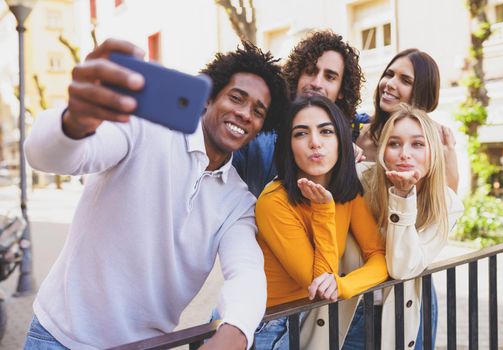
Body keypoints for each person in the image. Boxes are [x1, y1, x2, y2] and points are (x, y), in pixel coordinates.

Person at [23, 39, 289, 350]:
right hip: (58, 338)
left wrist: (236, 331)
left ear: (261, 127)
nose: (245, 113)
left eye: (258, 111)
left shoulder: (238, 201)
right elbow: (55, 158)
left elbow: (246, 271)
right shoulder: (144, 128)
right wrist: (75, 121)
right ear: (208, 99)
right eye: (236, 98)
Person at [253, 95, 388, 349]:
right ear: (288, 146)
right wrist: (323, 209)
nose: (315, 143)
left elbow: (379, 255)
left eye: (326, 131)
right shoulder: (273, 201)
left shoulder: (348, 191)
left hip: (315, 318)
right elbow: (316, 283)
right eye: (301, 134)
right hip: (270, 326)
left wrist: (345, 285)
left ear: (341, 141)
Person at [348, 104, 464, 349]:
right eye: (394, 143)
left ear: (433, 152)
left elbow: (402, 268)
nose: (404, 153)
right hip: (351, 313)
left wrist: (403, 196)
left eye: (418, 144)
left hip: (403, 314)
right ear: (383, 152)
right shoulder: (358, 179)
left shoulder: (446, 203)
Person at [233, 30, 365, 197]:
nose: (317, 83)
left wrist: (345, 144)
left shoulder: (345, 140)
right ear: (297, 75)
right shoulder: (259, 135)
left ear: (341, 90)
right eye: (310, 71)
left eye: (330, 77)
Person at [355, 48, 459, 192]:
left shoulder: (438, 140)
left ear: (422, 93)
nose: (390, 83)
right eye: (389, 74)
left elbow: (448, 205)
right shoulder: (357, 130)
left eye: (405, 80)